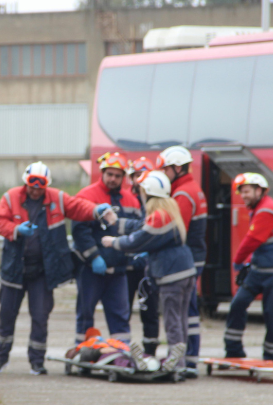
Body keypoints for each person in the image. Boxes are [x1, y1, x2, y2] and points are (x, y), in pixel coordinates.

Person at [0, 162, 108, 375]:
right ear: (26, 183)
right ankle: (0, 359)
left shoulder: (57, 198)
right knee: (6, 316)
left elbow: (78, 207)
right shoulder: (10, 197)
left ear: (46, 186)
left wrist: (96, 210)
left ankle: (37, 362)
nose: (35, 190)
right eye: (31, 186)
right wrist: (16, 229)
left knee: (40, 317)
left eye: (40, 187)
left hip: (43, 271)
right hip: (14, 269)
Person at [102, 170, 196, 374]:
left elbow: (138, 240)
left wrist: (113, 242)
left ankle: (176, 365)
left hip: (171, 276)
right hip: (185, 272)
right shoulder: (169, 210)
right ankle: (183, 361)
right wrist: (116, 222)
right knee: (180, 320)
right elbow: (141, 225)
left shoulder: (159, 216)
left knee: (172, 323)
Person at [224, 173, 273, 362]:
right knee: (238, 304)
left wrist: (238, 260)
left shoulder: (267, 210)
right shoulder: (258, 209)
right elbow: (261, 244)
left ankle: (270, 357)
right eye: (242, 193)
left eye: (247, 192)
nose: (244, 196)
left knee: (272, 314)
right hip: (261, 270)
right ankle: (233, 351)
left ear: (260, 190)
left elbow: (252, 240)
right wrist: (249, 263)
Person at [72, 152, 141, 345]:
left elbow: (136, 230)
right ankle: (83, 354)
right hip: (91, 270)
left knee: (120, 317)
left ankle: (122, 355)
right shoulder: (87, 195)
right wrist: (94, 257)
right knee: (85, 316)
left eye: (117, 176)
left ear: (123, 177)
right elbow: (79, 231)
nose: (113, 179)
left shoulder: (131, 200)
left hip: (118, 270)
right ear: (102, 173)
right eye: (109, 174)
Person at [156, 146, 207, 377]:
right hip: (195, 257)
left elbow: (176, 231)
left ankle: (185, 361)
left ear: (177, 167)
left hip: (187, 260)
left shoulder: (183, 195)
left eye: (165, 169)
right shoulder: (191, 188)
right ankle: (189, 360)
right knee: (188, 312)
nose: (164, 174)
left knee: (184, 313)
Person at [122, 156, 161, 356]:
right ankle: (124, 352)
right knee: (123, 311)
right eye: (135, 176)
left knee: (150, 311)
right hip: (127, 265)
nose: (139, 180)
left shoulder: (155, 199)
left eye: (142, 175)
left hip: (147, 267)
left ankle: (150, 351)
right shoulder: (126, 198)